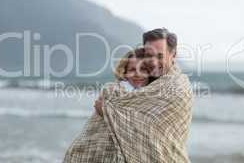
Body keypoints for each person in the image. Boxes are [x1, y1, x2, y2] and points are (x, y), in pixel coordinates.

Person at [64, 28, 193, 163]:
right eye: (149, 55)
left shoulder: (179, 87)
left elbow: (152, 132)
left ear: (173, 55)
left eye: (160, 56)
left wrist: (108, 111)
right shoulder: (126, 88)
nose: (153, 62)